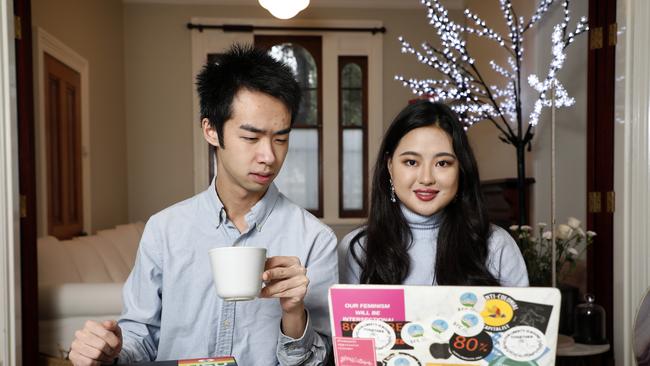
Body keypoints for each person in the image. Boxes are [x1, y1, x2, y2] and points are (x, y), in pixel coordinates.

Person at [68, 44, 338, 366]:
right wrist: (107, 354)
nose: (269, 156)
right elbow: (140, 340)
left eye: (280, 138)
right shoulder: (165, 230)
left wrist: (295, 314)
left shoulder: (315, 239)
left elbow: (320, 361)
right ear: (211, 130)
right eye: (251, 138)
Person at [339, 100, 528, 287]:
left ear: (461, 168)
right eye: (411, 162)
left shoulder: (496, 245)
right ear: (390, 166)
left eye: (443, 163)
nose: (427, 178)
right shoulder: (358, 248)